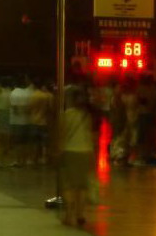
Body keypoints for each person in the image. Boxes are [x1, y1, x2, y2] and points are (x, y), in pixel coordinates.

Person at [59, 89, 95, 229]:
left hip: (70, 151)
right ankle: (80, 214)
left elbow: (61, 134)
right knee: (82, 186)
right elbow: (93, 136)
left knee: (69, 185)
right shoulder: (88, 116)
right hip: (86, 151)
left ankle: (69, 214)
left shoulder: (66, 115)